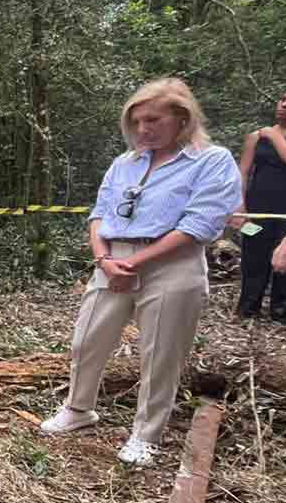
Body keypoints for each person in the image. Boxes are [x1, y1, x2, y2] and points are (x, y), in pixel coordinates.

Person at [40, 78, 242, 466]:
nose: (143, 130)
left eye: (152, 120)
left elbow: (199, 224)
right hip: (113, 258)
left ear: (182, 119)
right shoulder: (126, 163)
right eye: (136, 122)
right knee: (88, 339)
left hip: (172, 264)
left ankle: (145, 434)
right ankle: (79, 409)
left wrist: (135, 264)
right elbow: (100, 214)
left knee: (161, 353)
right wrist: (104, 259)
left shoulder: (212, 160)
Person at [234, 88, 286, 321]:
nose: (284, 105)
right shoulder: (256, 137)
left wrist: (275, 136)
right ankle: (248, 309)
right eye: (283, 99)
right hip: (259, 208)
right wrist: (239, 207)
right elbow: (243, 173)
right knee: (254, 257)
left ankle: (282, 311)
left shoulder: (270, 135)